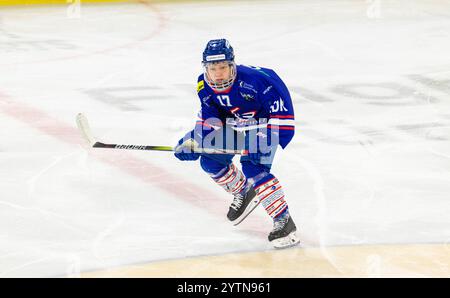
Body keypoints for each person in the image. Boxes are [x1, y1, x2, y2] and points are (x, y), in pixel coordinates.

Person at [174, 39, 299, 249]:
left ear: (232, 64)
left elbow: (284, 118)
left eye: (222, 67)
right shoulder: (203, 85)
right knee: (210, 162)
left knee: (254, 168)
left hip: (264, 125)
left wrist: (265, 140)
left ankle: (284, 222)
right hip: (235, 125)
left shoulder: (258, 81)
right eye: (212, 68)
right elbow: (211, 119)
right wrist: (194, 140)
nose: (218, 73)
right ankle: (244, 191)